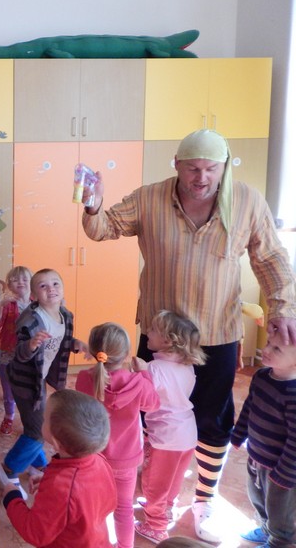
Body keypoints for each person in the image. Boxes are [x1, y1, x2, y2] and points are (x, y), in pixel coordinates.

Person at [81, 128, 296, 542]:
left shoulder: (248, 202)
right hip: (160, 339)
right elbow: (104, 227)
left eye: (211, 169)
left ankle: (204, 501)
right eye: (193, 168)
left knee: (212, 422)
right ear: (177, 165)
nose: (202, 178)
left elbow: (270, 258)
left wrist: (283, 307)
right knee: (150, 416)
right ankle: (150, 493)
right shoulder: (149, 198)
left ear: (224, 167)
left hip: (216, 335)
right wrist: (93, 205)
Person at [0, 268, 82, 495]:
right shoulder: (30, 321)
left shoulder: (64, 315)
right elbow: (19, 353)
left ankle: (37, 463)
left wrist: (75, 344)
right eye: (43, 286)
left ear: (63, 289)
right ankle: (8, 469)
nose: (50, 289)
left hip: (38, 377)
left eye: (55, 284)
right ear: (34, 295)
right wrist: (31, 345)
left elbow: (62, 338)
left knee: (36, 423)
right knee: (37, 431)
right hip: (24, 381)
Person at [75, 322, 159, 548]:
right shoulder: (138, 382)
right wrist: (144, 373)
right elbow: (153, 404)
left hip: (94, 458)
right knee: (124, 510)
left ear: (95, 352)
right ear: (126, 354)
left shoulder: (84, 378)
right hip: (126, 460)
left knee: (94, 508)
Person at [1, 389, 116, 548]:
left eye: (44, 419)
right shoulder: (99, 461)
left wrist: (12, 498)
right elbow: (92, 496)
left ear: (55, 442)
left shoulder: (61, 487)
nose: (41, 419)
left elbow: (35, 533)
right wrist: (49, 482)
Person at [133, 310, 205, 544]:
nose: (148, 332)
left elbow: (144, 400)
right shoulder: (187, 367)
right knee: (172, 480)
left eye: (153, 329)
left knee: (155, 483)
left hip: (166, 437)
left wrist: (140, 372)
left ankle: (156, 526)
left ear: (168, 340)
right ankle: (166, 509)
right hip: (187, 433)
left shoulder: (154, 368)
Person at [230, 336, 296, 548]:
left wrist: (285, 473)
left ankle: (279, 541)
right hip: (256, 455)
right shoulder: (261, 376)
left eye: (277, 349)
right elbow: (250, 406)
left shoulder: (293, 394)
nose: (265, 349)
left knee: (279, 510)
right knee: (257, 497)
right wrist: (239, 434)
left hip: (280, 468)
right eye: (268, 343)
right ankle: (266, 528)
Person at [0, 265, 33, 435]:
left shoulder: (37, 303)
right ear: (8, 285)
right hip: (8, 353)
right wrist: (0, 306)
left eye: (25, 279)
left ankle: (29, 418)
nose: (20, 282)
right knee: (8, 388)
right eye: (15, 280)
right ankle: (9, 416)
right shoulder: (8, 305)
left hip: (30, 355)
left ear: (32, 282)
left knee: (29, 388)